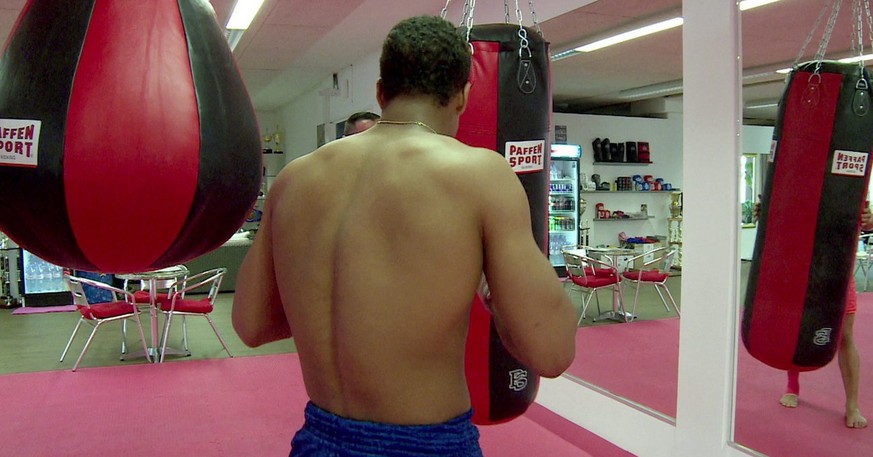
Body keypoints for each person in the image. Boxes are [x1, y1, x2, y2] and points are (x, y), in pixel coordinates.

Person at [232, 15, 577, 457]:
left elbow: (251, 324)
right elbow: (552, 351)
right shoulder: (480, 174)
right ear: (464, 95)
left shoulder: (294, 179)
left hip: (318, 441)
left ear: (380, 92)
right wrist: (496, 302)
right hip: (426, 446)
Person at [755, 199, 871, 428]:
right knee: (797, 329)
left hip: (839, 271)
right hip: (803, 267)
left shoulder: (851, 179)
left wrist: (869, 219)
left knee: (846, 335)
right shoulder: (805, 175)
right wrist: (768, 211)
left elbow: (865, 222)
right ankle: (792, 386)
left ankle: (852, 406)